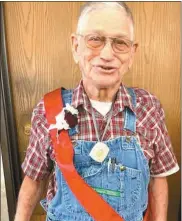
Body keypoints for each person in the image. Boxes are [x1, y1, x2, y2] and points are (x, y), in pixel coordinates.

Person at [14, 2, 179, 221]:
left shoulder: (148, 107)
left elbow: (159, 177)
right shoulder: (49, 109)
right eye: (95, 39)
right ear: (75, 46)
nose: (107, 54)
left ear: (132, 53)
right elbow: (34, 181)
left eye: (120, 42)